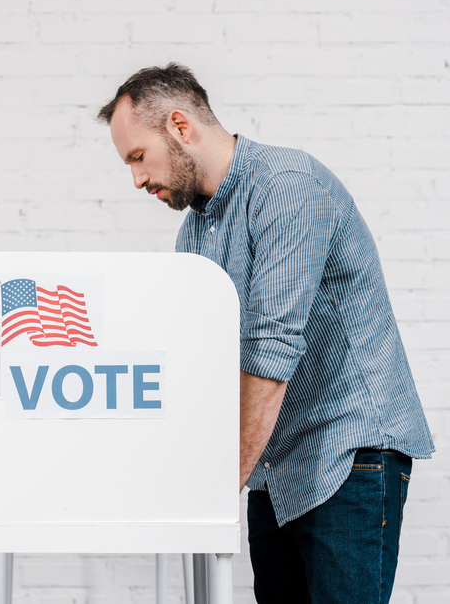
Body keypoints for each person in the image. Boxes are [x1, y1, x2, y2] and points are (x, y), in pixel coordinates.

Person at [97, 63, 434, 603]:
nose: (137, 179)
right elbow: (202, 366)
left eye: (138, 157)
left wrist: (212, 491)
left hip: (347, 459)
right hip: (272, 468)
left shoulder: (287, 188)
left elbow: (269, 353)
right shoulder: (195, 235)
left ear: (181, 127)